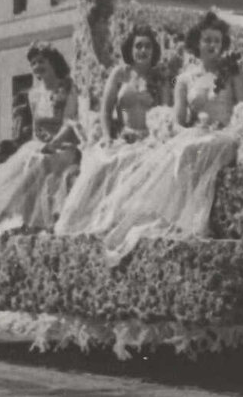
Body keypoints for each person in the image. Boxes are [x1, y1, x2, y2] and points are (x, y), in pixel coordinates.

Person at [93, 12, 243, 265]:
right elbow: (178, 120)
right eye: (207, 40)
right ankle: (174, 216)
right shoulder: (185, 79)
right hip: (198, 132)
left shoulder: (232, 73)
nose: (212, 45)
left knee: (198, 147)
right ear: (197, 42)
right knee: (180, 150)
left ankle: (196, 221)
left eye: (217, 41)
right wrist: (194, 124)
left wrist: (224, 126)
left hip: (226, 133)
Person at [51, 26, 167, 239]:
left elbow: (166, 112)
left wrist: (156, 138)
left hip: (150, 140)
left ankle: (126, 221)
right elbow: (105, 110)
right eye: (138, 46)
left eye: (148, 46)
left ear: (154, 50)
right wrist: (107, 136)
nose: (143, 50)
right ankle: (91, 220)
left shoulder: (159, 78)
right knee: (105, 162)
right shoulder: (120, 74)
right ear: (130, 49)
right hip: (125, 136)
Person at [0, 44, 82, 238]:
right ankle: (22, 219)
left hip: (65, 146)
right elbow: (36, 126)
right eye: (33, 63)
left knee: (40, 162)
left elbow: (71, 122)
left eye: (41, 61)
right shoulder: (34, 94)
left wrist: (54, 143)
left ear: (53, 62)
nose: (37, 66)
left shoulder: (67, 87)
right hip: (41, 144)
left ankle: (44, 222)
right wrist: (40, 144)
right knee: (25, 164)